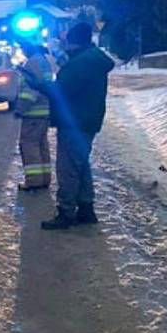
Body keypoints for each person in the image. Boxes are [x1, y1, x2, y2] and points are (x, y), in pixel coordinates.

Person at [36, 22, 114, 230]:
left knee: (68, 167)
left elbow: (61, 90)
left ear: (74, 41)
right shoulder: (90, 59)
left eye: (67, 40)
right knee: (81, 165)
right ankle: (86, 209)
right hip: (87, 120)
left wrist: (40, 85)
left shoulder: (81, 63)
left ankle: (66, 212)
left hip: (75, 122)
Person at [15, 40, 54, 191]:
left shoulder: (33, 63)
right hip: (44, 112)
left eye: (22, 48)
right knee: (41, 145)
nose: (22, 51)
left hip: (33, 113)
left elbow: (31, 90)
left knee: (29, 145)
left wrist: (20, 108)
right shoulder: (43, 61)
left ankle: (34, 181)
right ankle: (44, 179)